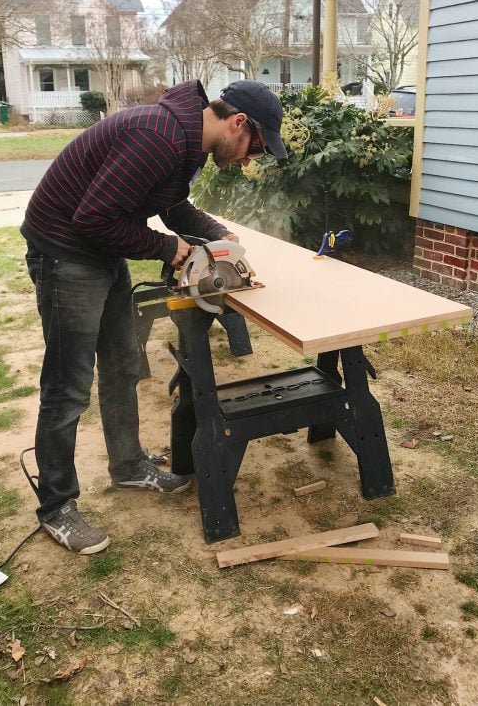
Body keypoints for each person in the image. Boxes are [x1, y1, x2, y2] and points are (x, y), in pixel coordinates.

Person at [22, 79, 286, 554]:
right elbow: (92, 219)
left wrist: (221, 238)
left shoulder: (185, 142)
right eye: (256, 147)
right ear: (238, 122)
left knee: (123, 362)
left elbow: (173, 207)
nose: (250, 159)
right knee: (67, 388)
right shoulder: (158, 135)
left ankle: (127, 467)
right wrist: (169, 249)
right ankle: (56, 507)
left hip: (98, 250)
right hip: (64, 251)